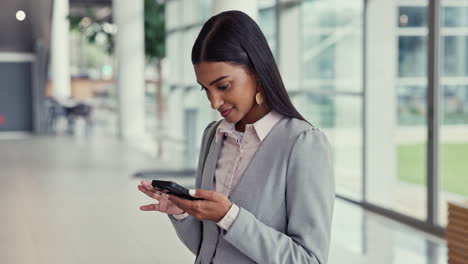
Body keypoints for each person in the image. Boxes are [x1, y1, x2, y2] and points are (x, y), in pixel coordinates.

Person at [138, 10, 334, 264]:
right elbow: (206, 248)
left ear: (257, 72)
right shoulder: (214, 136)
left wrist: (230, 216)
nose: (214, 102)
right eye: (205, 89)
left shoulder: (303, 144)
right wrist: (182, 214)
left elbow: (309, 259)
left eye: (223, 86)